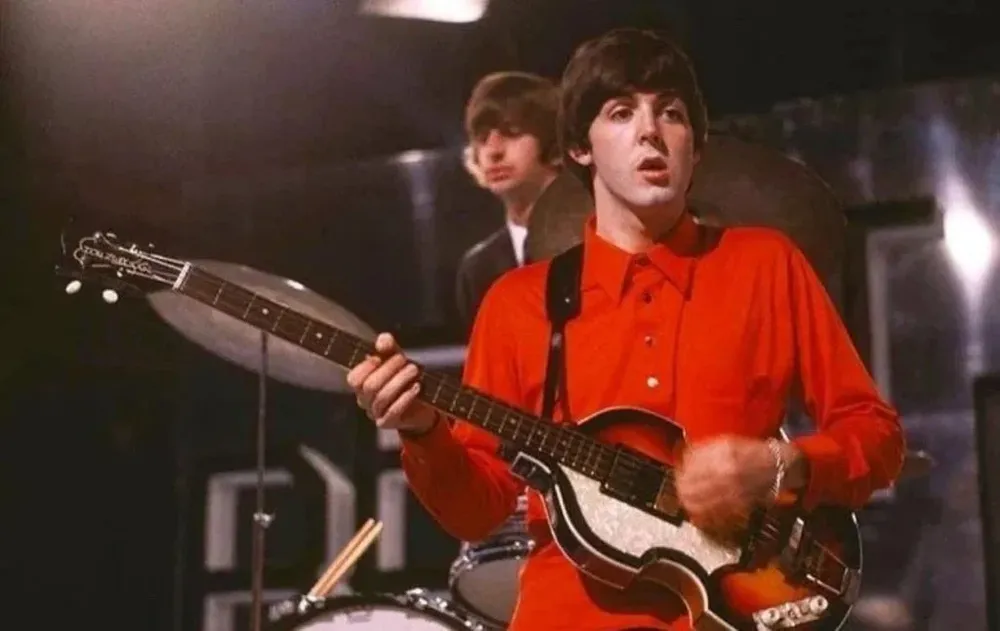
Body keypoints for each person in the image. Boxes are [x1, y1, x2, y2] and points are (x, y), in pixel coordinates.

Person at [347, 27, 905, 631]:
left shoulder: (764, 264)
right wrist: (423, 431)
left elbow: (875, 437)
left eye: (671, 113)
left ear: (694, 145)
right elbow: (479, 512)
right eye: (621, 112)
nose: (650, 131)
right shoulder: (518, 302)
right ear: (580, 150)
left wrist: (777, 465)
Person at [454, 71, 561, 334]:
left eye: (511, 131)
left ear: (554, 144)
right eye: (481, 137)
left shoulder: (601, 242)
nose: (493, 151)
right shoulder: (477, 268)